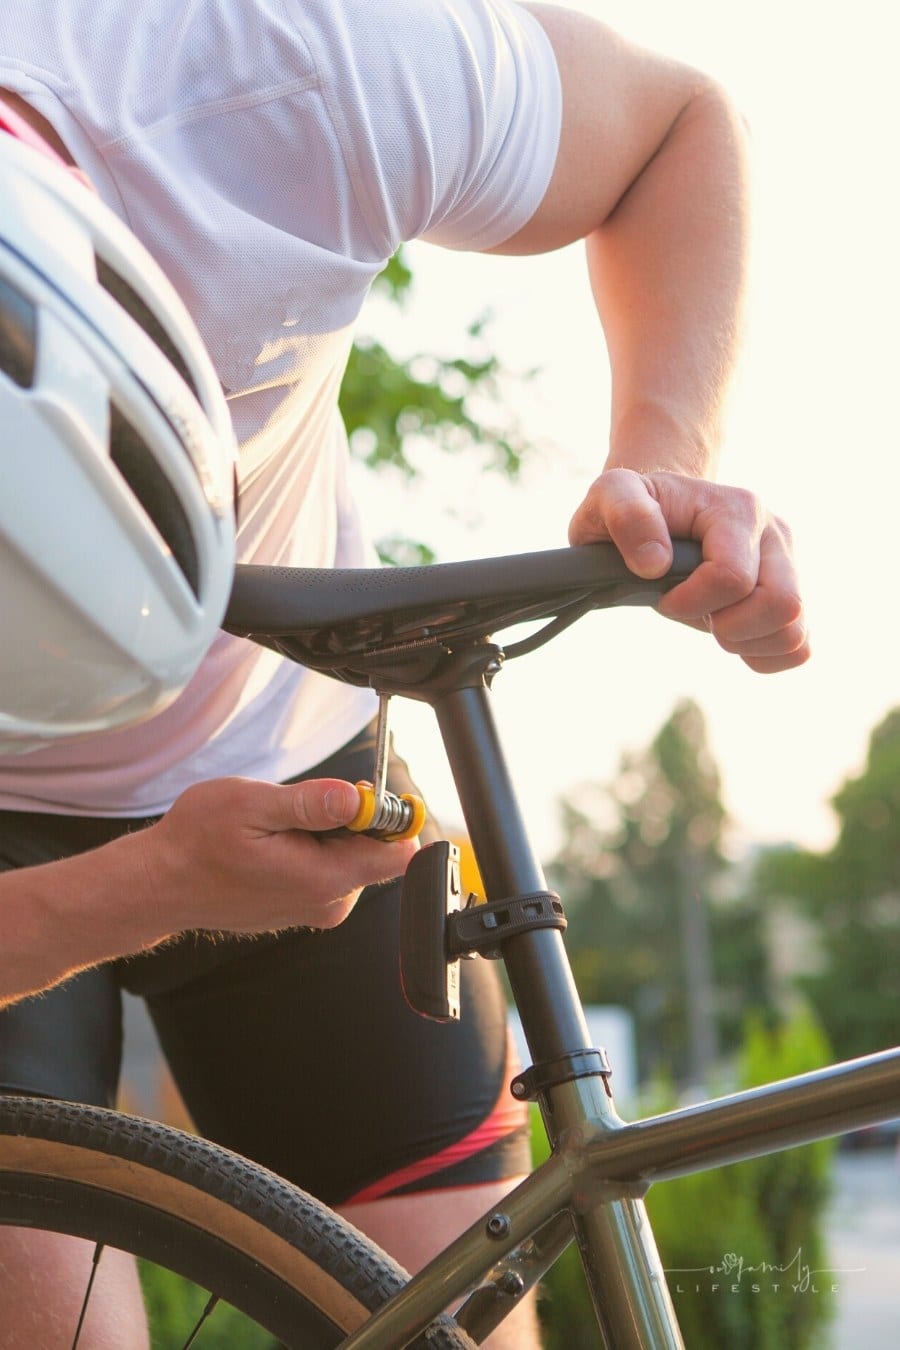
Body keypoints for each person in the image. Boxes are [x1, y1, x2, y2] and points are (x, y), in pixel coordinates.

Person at [0, 2, 809, 1346]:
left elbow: (674, 126)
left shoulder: (283, 63)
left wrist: (664, 441)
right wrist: (151, 882)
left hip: (294, 737)